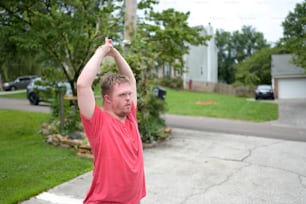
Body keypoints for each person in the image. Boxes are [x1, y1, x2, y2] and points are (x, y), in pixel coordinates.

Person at [77, 38, 146, 204]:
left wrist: (114, 52)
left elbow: (130, 77)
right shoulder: (98, 122)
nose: (129, 99)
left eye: (129, 94)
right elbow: (82, 85)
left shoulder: (130, 116)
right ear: (107, 99)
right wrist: (101, 51)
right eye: (122, 95)